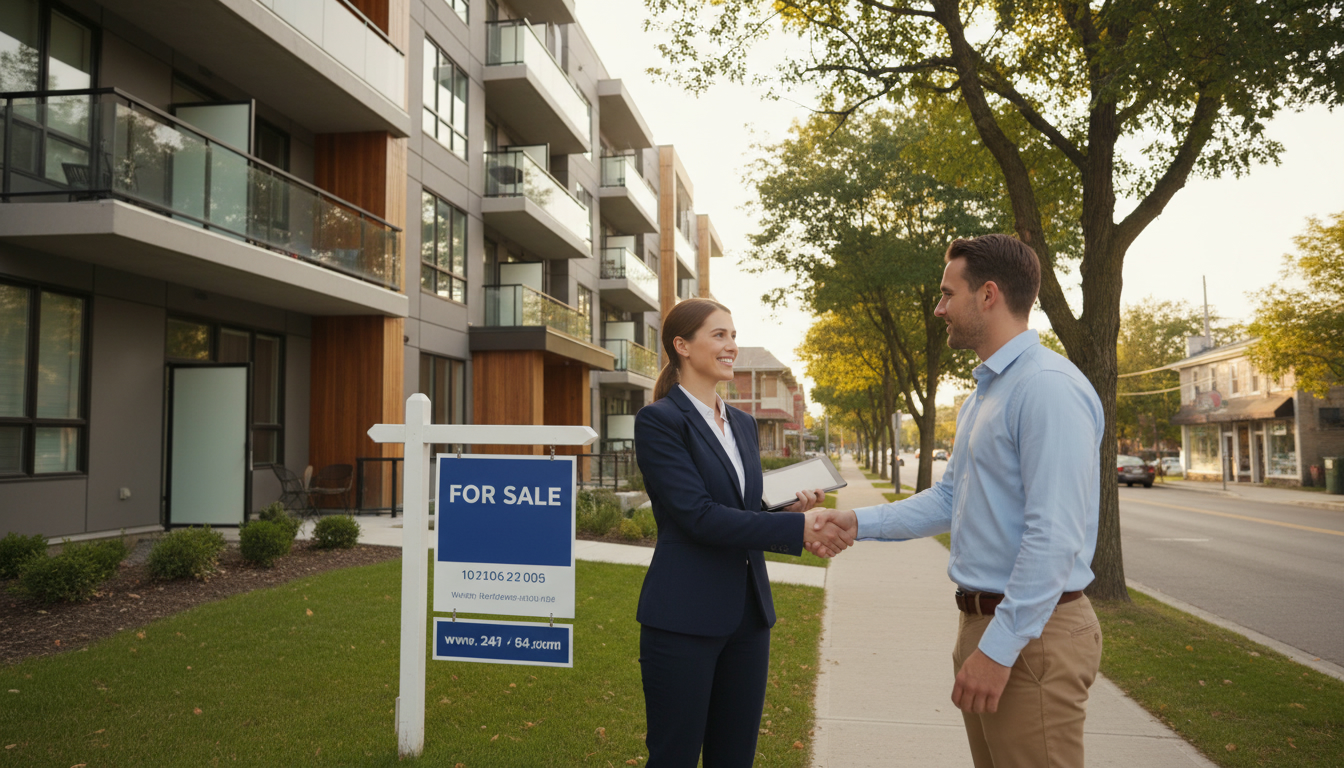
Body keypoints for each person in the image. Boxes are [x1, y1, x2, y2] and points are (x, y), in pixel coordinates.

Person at [813, 234, 1105, 767]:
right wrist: (857, 520)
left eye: (948, 294)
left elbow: (1054, 536)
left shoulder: (1045, 389)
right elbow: (952, 497)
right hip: (987, 623)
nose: (938, 307)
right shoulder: (987, 394)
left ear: (988, 295)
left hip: (1031, 635)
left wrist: (998, 649)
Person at [635, 297, 853, 768]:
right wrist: (797, 528)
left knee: (734, 757)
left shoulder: (743, 423)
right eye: (719, 335)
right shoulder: (660, 421)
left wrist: (788, 505)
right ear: (682, 346)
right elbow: (699, 516)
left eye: (733, 335)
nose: (732, 345)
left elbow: (740, 505)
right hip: (683, 619)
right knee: (673, 756)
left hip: (749, 619)